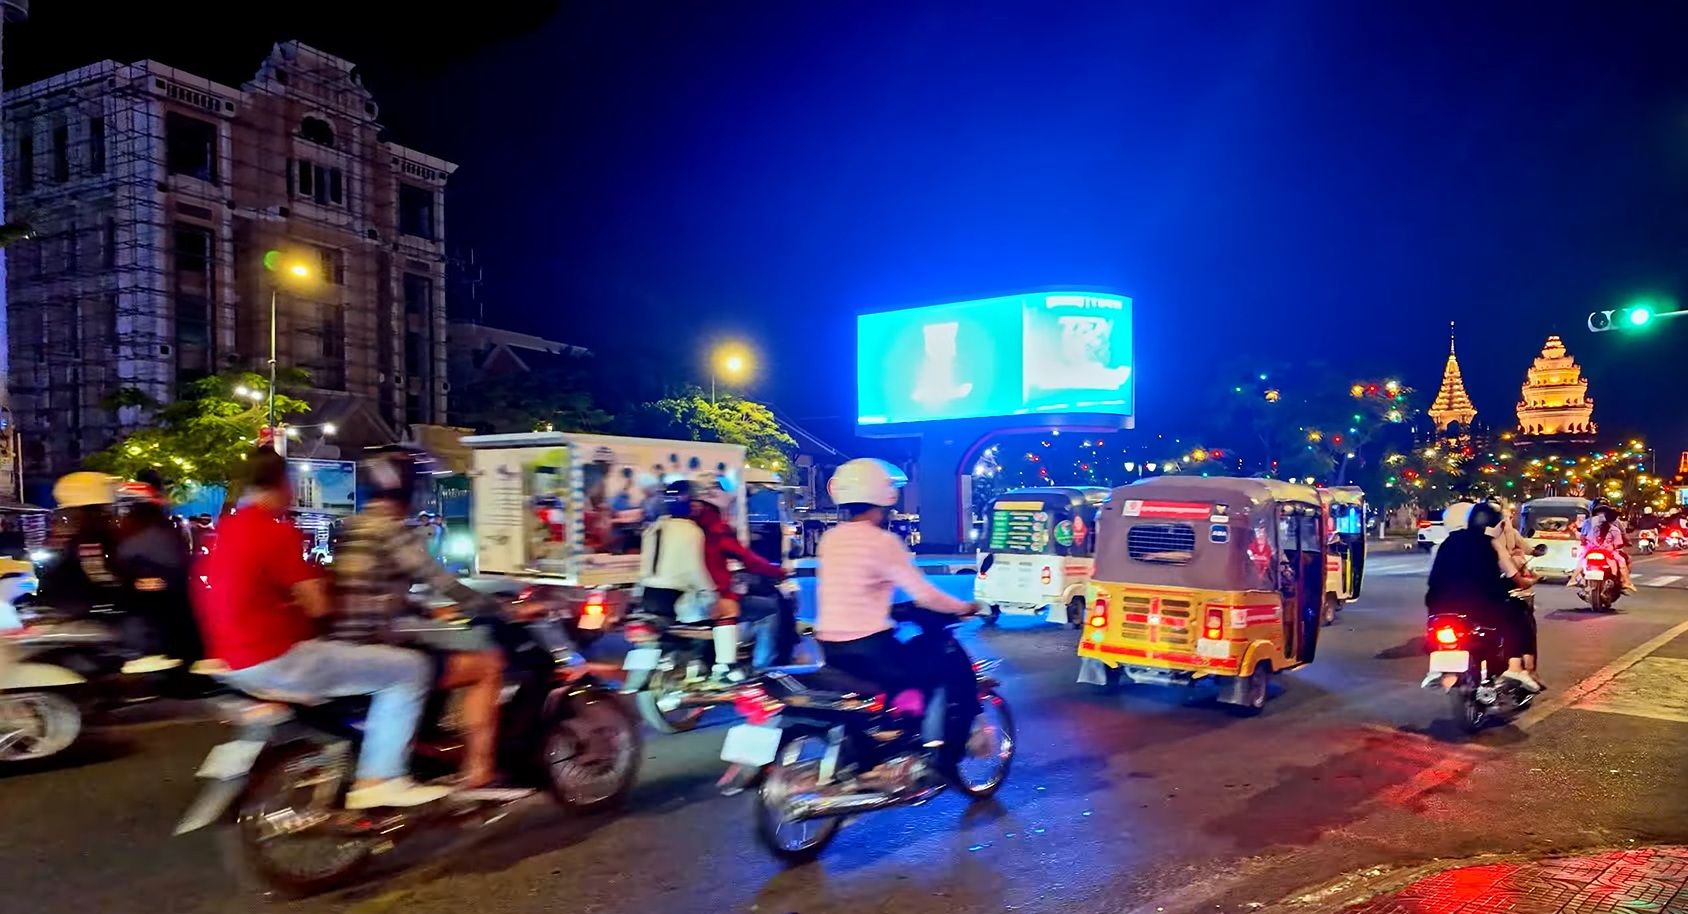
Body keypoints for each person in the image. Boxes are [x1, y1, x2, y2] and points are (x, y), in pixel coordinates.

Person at [195, 448, 452, 809]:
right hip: (278, 656)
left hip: (229, 660)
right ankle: (380, 778)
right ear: (282, 483)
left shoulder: (226, 528)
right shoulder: (274, 530)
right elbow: (320, 605)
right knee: (411, 669)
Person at [331, 448, 509, 789]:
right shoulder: (391, 529)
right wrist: (497, 608)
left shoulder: (351, 527)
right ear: (409, 493)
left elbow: (374, 587)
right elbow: (436, 578)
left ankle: (427, 743)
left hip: (344, 640)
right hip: (373, 644)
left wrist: (425, 610)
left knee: (430, 645)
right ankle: (478, 771)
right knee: (488, 665)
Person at [815, 458, 979, 771]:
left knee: (908, 665)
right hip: (871, 649)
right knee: (941, 669)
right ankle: (932, 753)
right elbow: (925, 594)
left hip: (830, 649)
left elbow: (850, 588)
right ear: (883, 496)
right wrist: (963, 607)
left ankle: (889, 735)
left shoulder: (830, 539)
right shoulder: (882, 542)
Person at [1426, 501, 1540, 692]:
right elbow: (1493, 580)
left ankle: (1436, 667)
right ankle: (1515, 668)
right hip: (1478, 605)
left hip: (1439, 604)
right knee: (1517, 610)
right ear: (1495, 525)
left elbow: (1437, 578)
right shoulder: (1488, 544)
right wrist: (1522, 583)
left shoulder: (1446, 543)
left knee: (1436, 621)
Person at [688, 474, 788, 682]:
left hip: (685, 599)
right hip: (714, 598)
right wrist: (778, 572)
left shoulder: (687, 529)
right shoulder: (717, 531)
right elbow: (749, 560)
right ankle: (761, 666)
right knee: (770, 609)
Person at [637, 479, 716, 623]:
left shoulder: (653, 528)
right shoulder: (692, 531)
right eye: (695, 502)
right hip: (674, 600)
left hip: (648, 597)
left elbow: (645, 566)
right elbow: (695, 570)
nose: (698, 507)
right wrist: (711, 592)